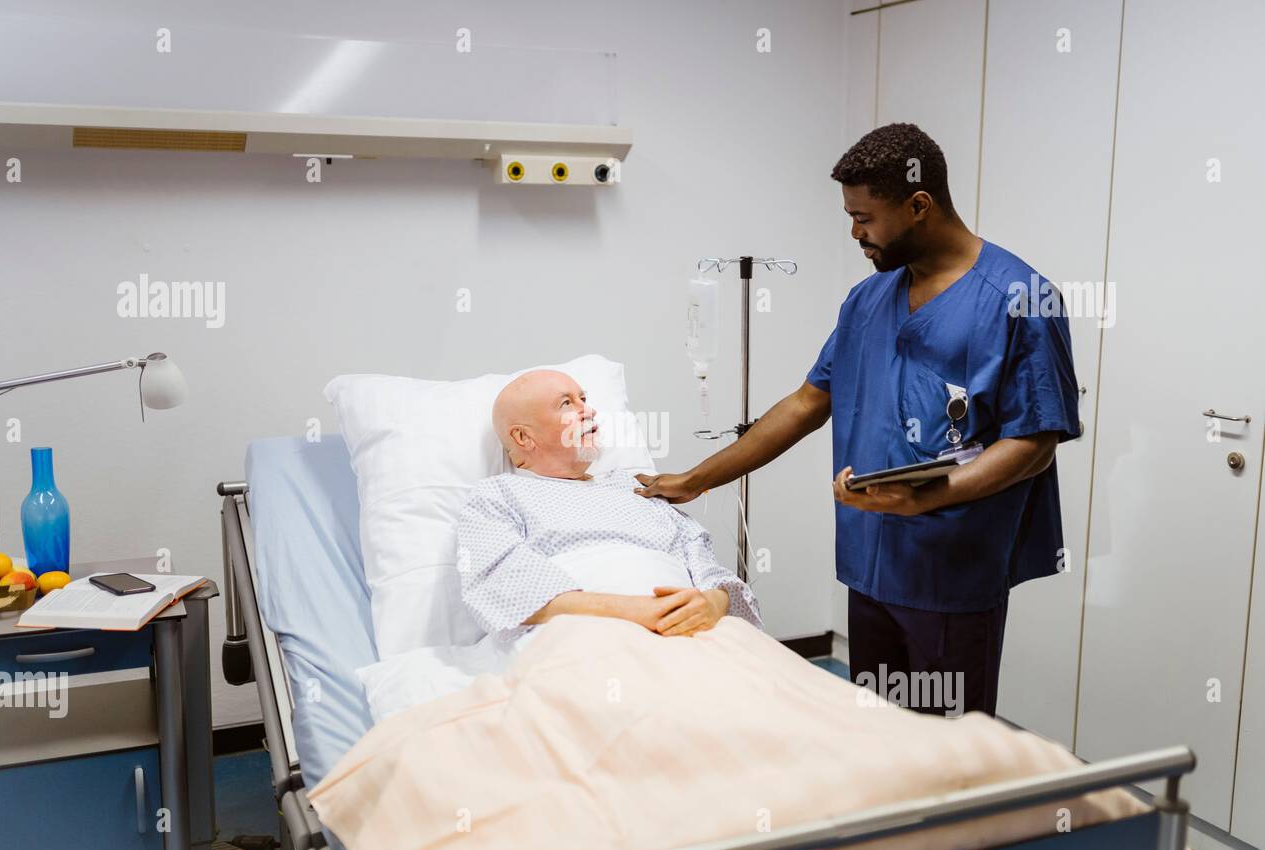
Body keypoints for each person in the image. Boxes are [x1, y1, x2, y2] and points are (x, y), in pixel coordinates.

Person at [635, 123, 1080, 717]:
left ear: (918, 206)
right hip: (871, 562)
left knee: (950, 744)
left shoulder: (1019, 298)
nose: (855, 233)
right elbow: (805, 404)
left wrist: (932, 497)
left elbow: (1033, 443)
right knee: (877, 729)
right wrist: (696, 480)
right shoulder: (866, 301)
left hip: (951, 567)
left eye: (864, 218)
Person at [454, 369, 762, 642]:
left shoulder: (637, 488)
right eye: (566, 404)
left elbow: (707, 567)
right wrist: (639, 611)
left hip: (693, 631)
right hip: (580, 639)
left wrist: (712, 604)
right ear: (523, 437)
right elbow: (503, 584)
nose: (589, 411)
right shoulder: (498, 495)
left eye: (583, 399)